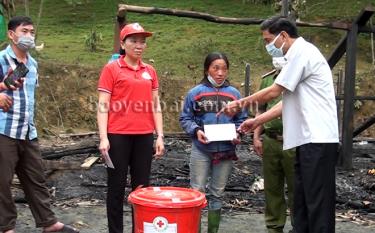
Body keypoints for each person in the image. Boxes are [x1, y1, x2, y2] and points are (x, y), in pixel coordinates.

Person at [219, 16, 339, 233]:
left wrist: (240, 103)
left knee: (317, 204)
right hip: (305, 140)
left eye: (268, 40)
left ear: (283, 36)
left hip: (318, 140)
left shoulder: (303, 53)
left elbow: (274, 91)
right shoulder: (296, 57)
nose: (267, 46)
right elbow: (286, 102)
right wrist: (258, 120)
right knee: (302, 203)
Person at [0, 16, 79, 233]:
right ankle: (6, 227)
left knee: (36, 179)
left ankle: (49, 223)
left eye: (32, 32)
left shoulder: (33, 64)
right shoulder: (1, 59)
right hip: (4, 130)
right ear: (11, 34)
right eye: (24, 31)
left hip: (27, 130)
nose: (29, 36)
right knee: (2, 182)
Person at [97, 22, 165, 233]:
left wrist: (160, 135)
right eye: (134, 41)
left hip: (144, 136)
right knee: (116, 189)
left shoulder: (150, 71)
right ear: (123, 43)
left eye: (142, 41)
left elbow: (156, 105)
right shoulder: (112, 69)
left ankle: (140, 229)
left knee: (141, 189)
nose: (139, 45)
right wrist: (103, 137)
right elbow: (102, 105)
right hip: (117, 136)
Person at [179, 52, 248, 233]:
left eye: (224, 69)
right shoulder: (195, 93)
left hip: (226, 150)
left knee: (217, 193)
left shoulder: (234, 94)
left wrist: (238, 133)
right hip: (201, 149)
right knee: (197, 191)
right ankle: (194, 229)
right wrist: (196, 130)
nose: (220, 73)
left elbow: (242, 119)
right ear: (207, 69)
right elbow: (185, 117)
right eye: (215, 68)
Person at [253, 68, 295, 233]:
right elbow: (261, 109)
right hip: (270, 139)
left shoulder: (297, 77)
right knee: (272, 187)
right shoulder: (268, 80)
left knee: (296, 188)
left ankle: (299, 225)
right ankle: (274, 226)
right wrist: (256, 137)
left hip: (294, 141)